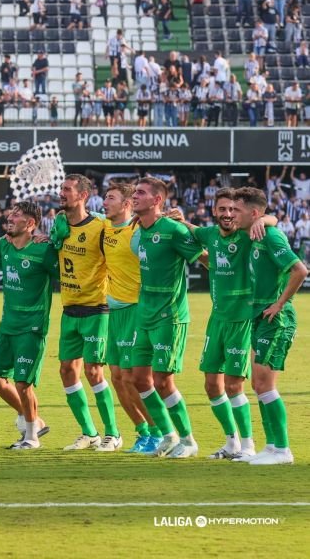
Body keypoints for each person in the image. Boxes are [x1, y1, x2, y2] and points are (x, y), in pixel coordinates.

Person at [187, 189, 273, 459]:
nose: (227, 214)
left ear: (240, 212)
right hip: (217, 319)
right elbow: (192, 229)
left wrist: (264, 220)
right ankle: (231, 442)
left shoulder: (249, 235)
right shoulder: (210, 234)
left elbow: (274, 222)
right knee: (212, 385)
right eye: (222, 209)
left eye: (232, 210)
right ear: (214, 211)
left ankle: (248, 446)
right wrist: (179, 219)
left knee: (234, 385)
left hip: (241, 319)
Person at [129, 177, 205, 458]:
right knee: (139, 378)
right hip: (144, 313)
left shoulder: (172, 230)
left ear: (157, 200)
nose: (134, 196)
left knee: (162, 380)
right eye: (134, 192)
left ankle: (188, 440)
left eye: (140, 193)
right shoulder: (141, 228)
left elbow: (205, 257)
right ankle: (168, 434)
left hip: (169, 316)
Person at [233, 187, 307, 465]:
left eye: (237, 210)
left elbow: (300, 270)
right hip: (259, 317)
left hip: (276, 319)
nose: (232, 215)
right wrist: (266, 219)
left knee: (264, 383)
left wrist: (279, 303)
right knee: (258, 383)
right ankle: (272, 446)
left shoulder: (271, 236)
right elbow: (268, 217)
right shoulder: (254, 233)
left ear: (253, 213)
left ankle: (283, 450)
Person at [51, 175, 121, 451]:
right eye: (61, 189)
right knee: (67, 370)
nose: (61, 193)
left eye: (67, 190)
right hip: (69, 308)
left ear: (82, 196)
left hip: (96, 308)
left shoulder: (101, 227)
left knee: (93, 371)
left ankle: (113, 434)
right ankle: (89, 432)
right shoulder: (59, 224)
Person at [98, 183, 163, 454]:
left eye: (111, 198)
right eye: (104, 197)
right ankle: (143, 431)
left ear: (126, 204)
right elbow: (76, 220)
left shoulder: (138, 229)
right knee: (115, 377)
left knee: (132, 377)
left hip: (137, 309)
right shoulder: (101, 227)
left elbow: (166, 225)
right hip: (114, 311)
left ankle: (159, 431)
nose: (104, 202)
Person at [0, 201, 55, 449]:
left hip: (32, 327)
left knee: (22, 383)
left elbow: (68, 272)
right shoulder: (3, 245)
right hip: (8, 325)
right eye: (11, 213)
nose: (10, 218)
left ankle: (31, 437)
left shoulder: (44, 250)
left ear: (30, 224)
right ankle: (34, 420)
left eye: (17, 216)